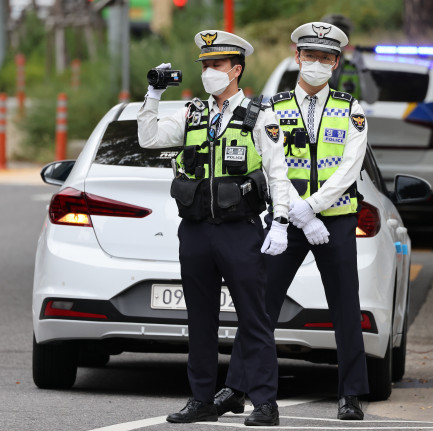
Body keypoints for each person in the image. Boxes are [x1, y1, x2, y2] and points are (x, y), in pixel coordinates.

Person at [215, 21, 369, 421]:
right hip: (284, 219)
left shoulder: (351, 109)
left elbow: (348, 171)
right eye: (310, 55)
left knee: (346, 305)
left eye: (325, 57)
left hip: (333, 220)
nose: (316, 63)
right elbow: (271, 165)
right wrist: (296, 210)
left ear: (336, 62)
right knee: (258, 306)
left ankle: (350, 394)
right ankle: (235, 387)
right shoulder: (272, 107)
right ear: (296, 55)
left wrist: (314, 208)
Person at [137, 30, 290, 426]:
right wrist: (152, 94)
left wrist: (281, 222)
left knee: (253, 319)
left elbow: (277, 173)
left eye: (217, 65)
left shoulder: (260, 116)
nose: (209, 71)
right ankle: (202, 398)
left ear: (236, 69)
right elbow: (148, 136)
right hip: (197, 231)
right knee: (199, 319)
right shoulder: (192, 113)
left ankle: (265, 403)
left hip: (240, 231)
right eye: (205, 65)